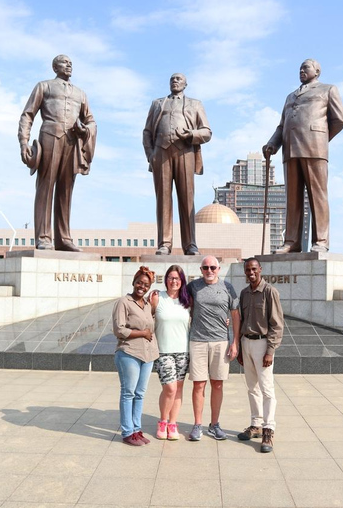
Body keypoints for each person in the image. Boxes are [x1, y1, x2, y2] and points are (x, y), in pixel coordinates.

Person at [263, 58, 343, 254]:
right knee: (292, 198)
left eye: (306, 67)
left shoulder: (328, 89)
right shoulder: (290, 96)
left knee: (317, 195)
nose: (301, 70)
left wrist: (321, 137)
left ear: (317, 71)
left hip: (314, 147)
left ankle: (321, 240)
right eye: (300, 68)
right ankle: (292, 241)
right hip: (290, 149)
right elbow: (281, 126)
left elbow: (340, 120)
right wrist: (273, 143)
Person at [18, 54, 97, 251]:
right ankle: (44, 237)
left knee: (66, 190)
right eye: (64, 62)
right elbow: (28, 115)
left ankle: (63, 238)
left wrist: (85, 130)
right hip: (49, 137)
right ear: (55, 67)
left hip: (72, 141)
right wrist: (24, 141)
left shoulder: (81, 94)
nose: (69, 64)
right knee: (46, 187)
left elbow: (91, 120)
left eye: (71, 62)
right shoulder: (43, 86)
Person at [142, 73, 212, 255]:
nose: (175, 81)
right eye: (172, 78)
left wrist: (191, 135)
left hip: (185, 151)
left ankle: (190, 244)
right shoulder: (158, 103)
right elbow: (147, 132)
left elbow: (207, 132)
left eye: (179, 79)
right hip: (161, 152)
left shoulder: (195, 104)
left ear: (185, 84)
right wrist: (151, 155)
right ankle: (164, 243)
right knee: (163, 199)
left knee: (186, 198)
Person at [186, 255, 240, 441]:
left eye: (213, 268)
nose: (209, 271)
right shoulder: (193, 287)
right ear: (201, 270)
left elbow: (235, 315)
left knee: (217, 383)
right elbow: (177, 299)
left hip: (220, 342)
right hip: (198, 341)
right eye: (205, 267)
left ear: (219, 269)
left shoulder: (227, 287)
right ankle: (197, 425)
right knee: (198, 384)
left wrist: (235, 342)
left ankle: (214, 424)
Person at [236, 258, 284, 453]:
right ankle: (255, 424)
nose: (251, 272)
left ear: (260, 270)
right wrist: (239, 348)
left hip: (263, 345)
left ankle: (268, 429)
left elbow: (277, 325)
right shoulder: (244, 293)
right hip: (246, 343)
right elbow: (242, 320)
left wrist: (270, 351)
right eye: (247, 270)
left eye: (254, 269)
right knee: (251, 387)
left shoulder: (269, 292)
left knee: (267, 389)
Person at [112, 266, 159, 446]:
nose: (142, 286)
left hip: (147, 355)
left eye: (146, 284)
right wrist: (142, 334)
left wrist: (154, 308)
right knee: (128, 393)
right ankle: (127, 432)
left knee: (140, 394)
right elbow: (119, 329)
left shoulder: (147, 305)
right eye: (139, 282)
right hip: (129, 352)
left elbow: (150, 326)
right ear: (133, 282)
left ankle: (137, 430)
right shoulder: (124, 302)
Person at [150, 265, 191, 440]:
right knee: (170, 388)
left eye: (177, 278)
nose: (174, 281)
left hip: (183, 351)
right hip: (163, 351)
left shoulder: (188, 300)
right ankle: (163, 421)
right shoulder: (158, 297)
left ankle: (173, 424)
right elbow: (147, 317)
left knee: (179, 389)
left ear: (182, 281)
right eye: (171, 277)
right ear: (166, 279)